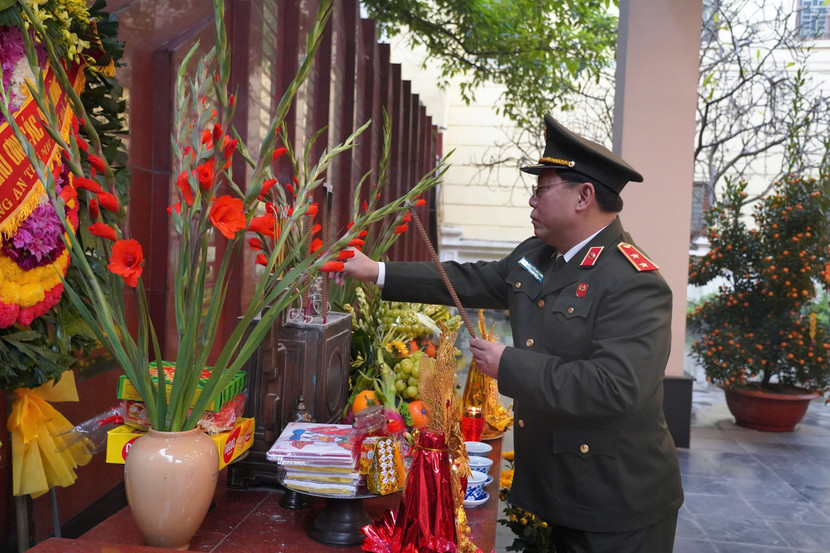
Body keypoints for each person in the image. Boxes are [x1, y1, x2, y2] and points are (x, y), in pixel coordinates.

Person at [335, 113, 683, 552]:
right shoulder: (540, 256)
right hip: (563, 489)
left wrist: (509, 365)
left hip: (617, 501)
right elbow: (468, 280)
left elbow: (614, 387)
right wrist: (377, 271)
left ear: (584, 196)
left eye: (541, 189)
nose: (532, 201)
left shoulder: (632, 281)